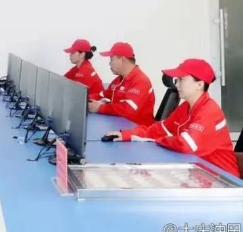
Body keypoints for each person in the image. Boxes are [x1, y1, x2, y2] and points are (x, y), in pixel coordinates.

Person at [105, 59, 240, 178]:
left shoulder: (209, 111)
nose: (177, 84)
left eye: (182, 80)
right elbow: (159, 129)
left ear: (199, 84)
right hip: (201, 173)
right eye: (177, 80)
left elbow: (185, 145)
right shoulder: (186, 107)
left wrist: (159, 140)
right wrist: (126, 135)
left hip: (223, 180)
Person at [88, 42, 155, 126]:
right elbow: (103, 95)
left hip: (137, 130)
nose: (109, 63)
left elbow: (127, 109)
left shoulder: (141, 81)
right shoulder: (119, 80)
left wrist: (100, 108)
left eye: (112, 59)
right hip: (119, 125)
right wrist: (85, 99)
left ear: (122, 59)